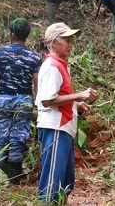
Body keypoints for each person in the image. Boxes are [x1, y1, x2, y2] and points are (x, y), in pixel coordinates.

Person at [36, 22, 98, 203]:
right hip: (55, 128)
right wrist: (80, 95)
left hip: (63, 129)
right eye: (67, 40)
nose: (71, 44)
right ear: (55, 42)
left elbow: (57, 97)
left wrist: (76, 105)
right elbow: (47, 100)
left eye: (72, 39)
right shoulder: (53, 66)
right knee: (52, 183)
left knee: (64, 182)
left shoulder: (61, 65)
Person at [0, 18, 41, 185]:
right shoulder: (34, 57)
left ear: (12, 35)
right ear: (26, 36)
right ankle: (14, 181)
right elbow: (37, 85)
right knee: (18, 138)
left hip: (2, 100)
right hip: (23, 101)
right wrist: (38, 104)